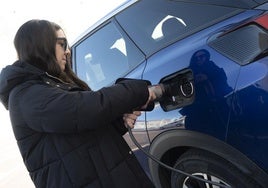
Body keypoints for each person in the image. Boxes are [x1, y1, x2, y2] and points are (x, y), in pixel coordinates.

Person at [0, 19, 157, 188]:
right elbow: (86, 109)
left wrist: (118, 122)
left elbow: (79, 134)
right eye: (62, 44)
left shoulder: (51, 84)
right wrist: (141, 91)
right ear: (41, 45)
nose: (68, 51)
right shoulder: (26, 96)